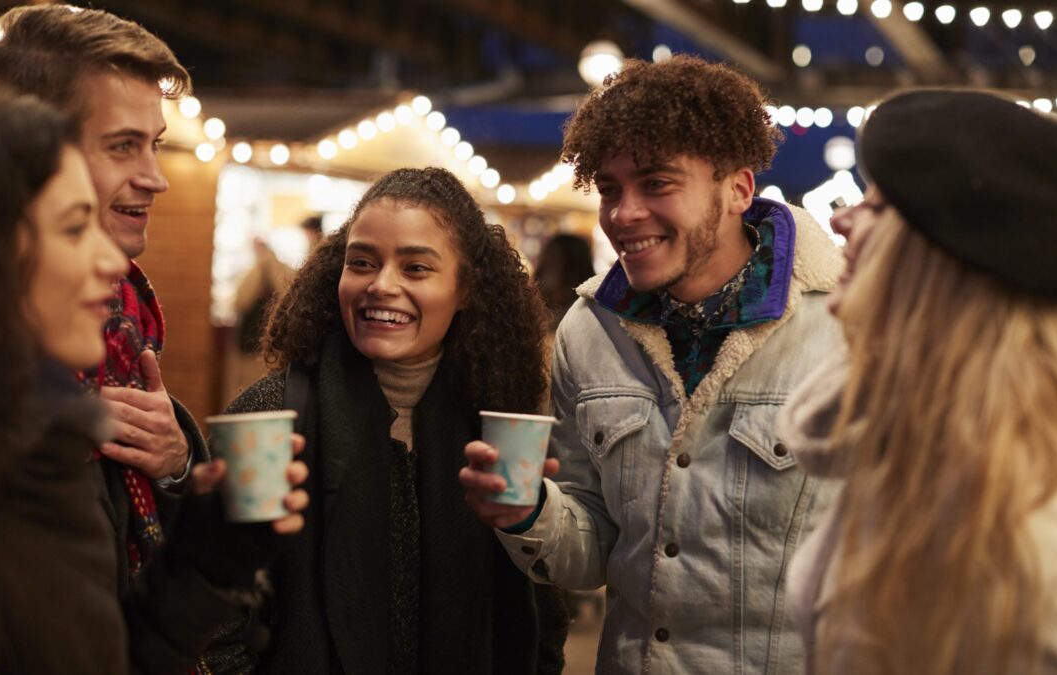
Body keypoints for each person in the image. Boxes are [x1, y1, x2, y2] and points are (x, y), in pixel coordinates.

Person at [461, 54, 845, 674]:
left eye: (657, 183)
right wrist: (529, 511)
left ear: (738, 190)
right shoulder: (588, 331)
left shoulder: (844, 327)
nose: (623, 213)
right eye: (609, 189)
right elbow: (597, 550)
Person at [0, 83, 309, 675]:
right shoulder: (24, 455)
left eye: (153, 144)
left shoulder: (34, 437)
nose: (111, 264)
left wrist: (204, 558)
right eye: (74, 228)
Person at [223, 167, 568, 673]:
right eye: (361, 262)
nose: (382, 286)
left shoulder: (500, 423)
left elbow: (541, 611)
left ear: (466, 288)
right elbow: (217, 616)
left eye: (416, 268)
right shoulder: (268, 421)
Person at [780, 89, 1057, 675]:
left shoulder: (1027, 525)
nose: (840, 217)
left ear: (941, 260)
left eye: (878, 205)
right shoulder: (908, 436)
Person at [0, 4, 206, 601]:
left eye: (154, 144)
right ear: (28, 145)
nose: (155, 176)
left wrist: (179, 460)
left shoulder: (121, 320)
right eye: (123, 146)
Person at [225, 215, 325, 401]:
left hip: (253, 338)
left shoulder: (261, 267)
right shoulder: (282, 269)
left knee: (247, 388)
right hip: (271, 341)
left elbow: (240, 301)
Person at [534, 233, 596, 333]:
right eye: (547, 259)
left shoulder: (589, 311)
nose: (549, 268)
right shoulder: (535, 306)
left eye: (555, 260)